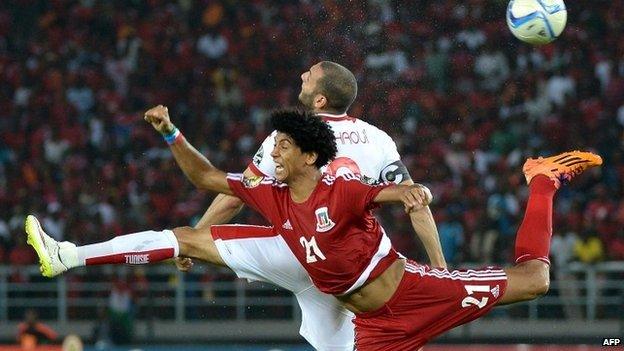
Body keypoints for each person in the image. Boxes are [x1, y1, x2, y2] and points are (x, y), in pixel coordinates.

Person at [28, 108, 602, 350]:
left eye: (279, 146)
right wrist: (170, 132)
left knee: (535, 280)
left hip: (410, 292)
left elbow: (390, 194)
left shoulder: (342, 189)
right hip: (371, 324)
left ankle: (542, 179)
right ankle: (70, 254)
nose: (270, 153)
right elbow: (205, 177)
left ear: (306, 154)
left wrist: (408, 192)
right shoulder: (270, 193)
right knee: (188, 237)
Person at [26, 61, 446, 351]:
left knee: (182, 240)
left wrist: (199, 235)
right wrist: (441, 271)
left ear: (318, 101)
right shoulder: (379, 139)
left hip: (297, 250)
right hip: (350, 270)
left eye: (310, 74)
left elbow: (236, 192)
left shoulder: (289, 138)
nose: (303, 74)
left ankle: (68, 255)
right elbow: (415, 201)